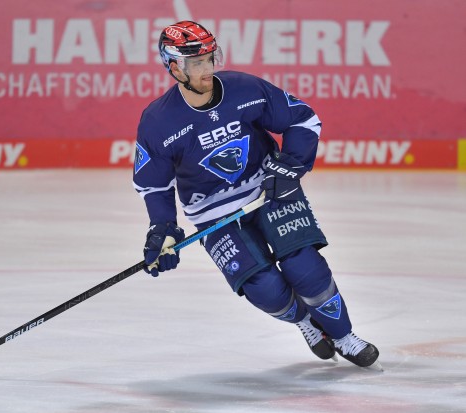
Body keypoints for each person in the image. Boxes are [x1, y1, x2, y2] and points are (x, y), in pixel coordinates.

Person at [132, 20, 380, 369]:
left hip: (270, 189)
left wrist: (290, 166)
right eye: (197, 63)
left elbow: (303, 120)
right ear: (175, 67)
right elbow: (154, 184)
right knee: (264, 289)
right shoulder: (158, 121)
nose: (208, 69)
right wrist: (162, 230)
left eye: (209, 58)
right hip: (213, 214)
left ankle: (342, 336)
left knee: (304, 268)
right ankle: (306, 323)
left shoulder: (243, 88)